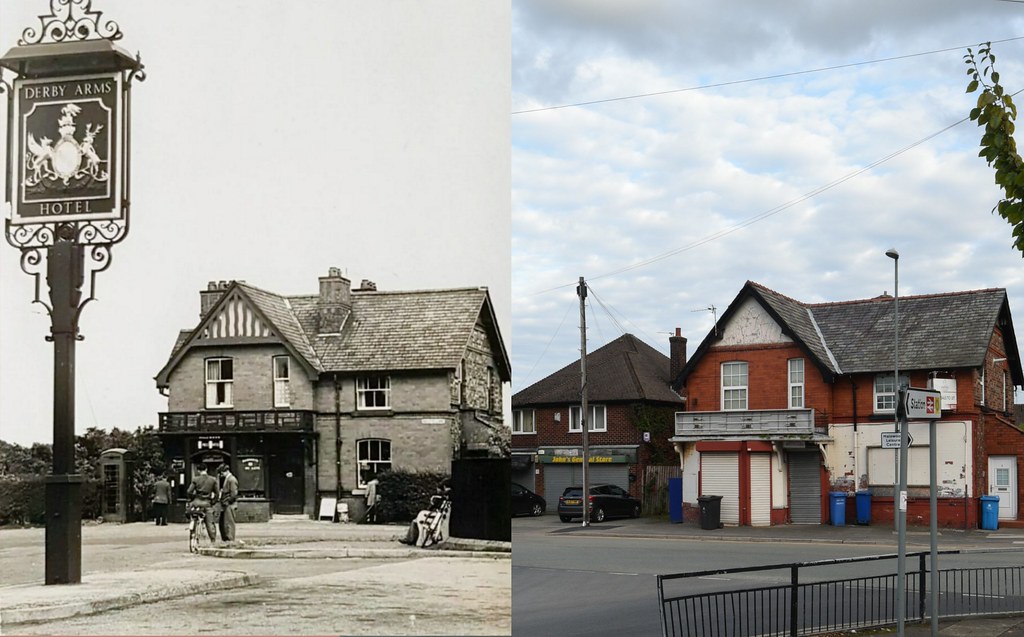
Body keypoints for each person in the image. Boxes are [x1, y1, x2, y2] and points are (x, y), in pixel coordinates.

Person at [399, 480, 452, 547]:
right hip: (439, 516)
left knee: (415, 521)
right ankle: (410, 538)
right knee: (417, 520)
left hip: (436, 517)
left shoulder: (439, 498)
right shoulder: (446, 496)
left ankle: (410, 539)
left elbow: (430, 508)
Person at [186, 464, 219, 542]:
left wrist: (193, 498)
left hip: (196, 502)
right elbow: (217, 493)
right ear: (206, 469)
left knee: (193, 515)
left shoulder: (195, 479)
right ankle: (213, 540)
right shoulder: (213, 480)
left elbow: (189, 491)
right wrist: (213, 502)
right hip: (207, 503)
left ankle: (193, 530)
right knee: (210, 523)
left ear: (198, 470)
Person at [216, 463, 239, 542]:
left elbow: (234, 493)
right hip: (226, 504)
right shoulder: (228, 479)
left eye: (221, 473)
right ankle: (226, 538)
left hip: (229, 505)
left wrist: (228, 501)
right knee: (224, 523)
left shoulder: (232, 479)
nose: (221, 475)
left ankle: (230, 539)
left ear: (225, 471)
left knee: (229, 522)